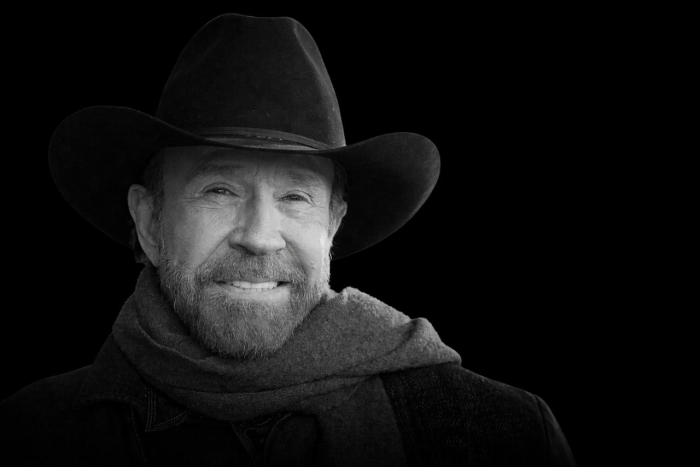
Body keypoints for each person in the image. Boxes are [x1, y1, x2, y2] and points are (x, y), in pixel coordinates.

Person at [1, 13, 576, 466]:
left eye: (296, 196)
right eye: (219, 190)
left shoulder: (499, 435)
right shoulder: (31, 437)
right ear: (150, 222)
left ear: (332, 225)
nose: (259, 237)